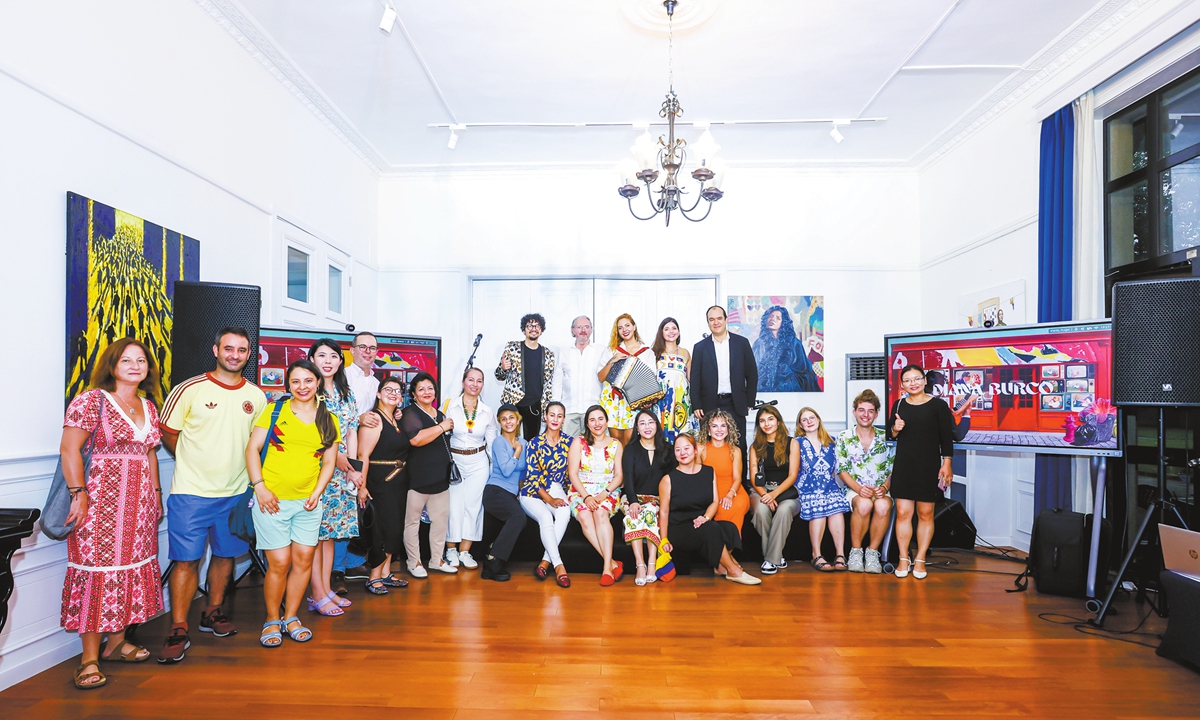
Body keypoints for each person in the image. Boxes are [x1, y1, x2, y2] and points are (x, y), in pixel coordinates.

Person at [157, 327, 267, 663]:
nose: (235, 355)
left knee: (224, 555)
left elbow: (257, 444)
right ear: (216, 349)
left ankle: (212, 611)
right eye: (229, 348)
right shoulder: (189, 389)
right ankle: (179, 626)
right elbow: (168, 433)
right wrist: (193, 462)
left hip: (235, 494)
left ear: (248, 355)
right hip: (191, 493)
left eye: (242, 350)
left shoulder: (256, 396)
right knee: (186, 560)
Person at [59, 339, 164, 689]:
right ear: (112, 365)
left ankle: (116, 643)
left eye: (141, 360)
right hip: (99, 503)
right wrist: (78, 494)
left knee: (128, 570)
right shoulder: (92, 400)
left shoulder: (148, 406)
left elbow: (149, 454)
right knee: (97, 573)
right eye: (126, 360)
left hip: (139, 506)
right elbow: (69, 448)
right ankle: (89, 659)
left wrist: (156, 494)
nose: (135, 366)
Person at [245, 359, 340, 648]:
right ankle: (272, 619)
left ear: (318, 383)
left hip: (308, 505)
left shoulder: (329, 419)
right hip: (271, 502)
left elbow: (329, 462)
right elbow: (252, 450)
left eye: (308, 380)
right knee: (279, 562)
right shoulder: (275, 411)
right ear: (288, 384)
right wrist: (260, 488)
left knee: (303, 561)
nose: (302, 386)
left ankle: (291, 617)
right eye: (296, 381)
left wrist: (317, 492)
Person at [306, 339, 363, 616]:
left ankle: (326, 589)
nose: (327, 361)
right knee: (316, 536)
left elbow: (352, 431)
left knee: (331, 535)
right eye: (321, 356)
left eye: (333, 356)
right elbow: (310, 434)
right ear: (312, 360)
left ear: (341, 361)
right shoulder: (308, 392)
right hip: (317, 472)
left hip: (342, 475)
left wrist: (353, 466)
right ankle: (317, 594)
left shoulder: (346, 394)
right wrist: (337, 458)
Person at [659, 434, 760, 585]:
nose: (682, 453)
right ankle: (733, 570)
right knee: (711, 529)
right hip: (679, 527)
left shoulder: (708, 472)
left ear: (695, 451)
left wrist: (705, 517)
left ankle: (720, 566)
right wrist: (664, 539)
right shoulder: (668, 479)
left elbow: (714, 501)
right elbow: (664, 512)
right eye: (678, 450)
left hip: (701, 522)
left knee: (730, 528)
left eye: (686, 448)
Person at [887, 364, 957, 580]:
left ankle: (920, 559)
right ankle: (903, 558)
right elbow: (891, 434)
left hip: (929, 466)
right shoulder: (899, 404)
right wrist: (895, 429)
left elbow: (946, 437)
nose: (913, 383)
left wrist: (947, 462)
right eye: (907, 380)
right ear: (902, 384)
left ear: (925, 380)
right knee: (903, 513)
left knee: (925, 514)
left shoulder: (938, 406)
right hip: (904, 466)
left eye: (917, 378)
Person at [356, 377, 411, 595]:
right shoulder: (374, 420)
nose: (393, 393)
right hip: (380, 482)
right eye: (388, 389)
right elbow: (363, 455)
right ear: (378, 394)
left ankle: (386, 573)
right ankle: (374, 577)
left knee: (394, 528)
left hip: (398, 482)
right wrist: (362, 486)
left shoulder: (395, 419)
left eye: (397, 391)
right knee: (381, 529)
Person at [401, 372, 458, 577]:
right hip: (417, 479)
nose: (427, 392)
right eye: (421, 389)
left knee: (440, 521)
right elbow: (416, 439)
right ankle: (414, 562)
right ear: (414, 394)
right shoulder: (409, 413)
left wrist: (442, 425)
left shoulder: (439, 414)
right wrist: (441, 427)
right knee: (412, 522)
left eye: (430, 388)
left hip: (440, 478)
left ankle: (436, 560)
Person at [691, 305, 758, 472]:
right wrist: (696, 404)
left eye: (719, 318)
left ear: (726, 320)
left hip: (736, 403)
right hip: (709, 404)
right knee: (708, 447)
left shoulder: (742, 343)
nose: (716, 322)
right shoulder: (700, 347)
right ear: (708, 323)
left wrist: (749, 401)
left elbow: (752, 374)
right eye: (711, 319)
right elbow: (695, 378)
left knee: (738, 445)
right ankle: (710, 484)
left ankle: (740, 485)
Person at [443, 367, 496, 570]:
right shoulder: (450, 406)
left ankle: (465, 551)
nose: (475, 384)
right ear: (463, 382)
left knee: (473, 506)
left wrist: (493, 469)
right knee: (453, 505)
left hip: (478, 462)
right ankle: (451, 550)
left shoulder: (487, 411)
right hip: (455, 461)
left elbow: (491, 444)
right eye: (471, 380)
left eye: (479, 381)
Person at [836, 389, 894, 574]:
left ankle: (872, 553)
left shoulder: (886, 437)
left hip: (881, 490)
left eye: (870, 411)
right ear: (854, 412)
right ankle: (855, 551)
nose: (865, 415)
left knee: (883, 506)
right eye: (861, 410)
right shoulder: (844, 437)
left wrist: (885, 488)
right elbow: (842, 470)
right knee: (864, 504)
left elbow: (893, 470)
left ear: (876, 414)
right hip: (854, 489)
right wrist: (859, 489)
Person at [567, 405, 625, 585]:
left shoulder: (616, 444)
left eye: (600, 419)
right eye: (592, 420)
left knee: (600, 514)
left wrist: (604, 494)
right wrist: (586, 496)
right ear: (587, 424)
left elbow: (619, 476)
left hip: (607, 490)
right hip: (581, 490)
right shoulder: (578, 442)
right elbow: (572, 474)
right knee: (585, 517)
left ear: (607, 421)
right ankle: (612, 563)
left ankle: (607, 568)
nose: (597, 423)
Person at [520, 401, 572, 588]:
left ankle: (545, 562)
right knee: (546, 517)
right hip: (532, 491)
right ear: (545, 417)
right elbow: (533, 478)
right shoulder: (534, 443)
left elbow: (572, 472)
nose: (555, 419)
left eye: (559, 416)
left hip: (556, 487)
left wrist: (567, 495)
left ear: (564, 419)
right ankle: (559, 566)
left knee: (565, 511)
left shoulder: (570, 442)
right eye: (552, 415)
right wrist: (550, 500)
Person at [794, 407, 851, 571]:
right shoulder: (797, 443)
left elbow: (834, 471)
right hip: (806, 487)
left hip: (829, 486)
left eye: (812, 418)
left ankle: (840, 554)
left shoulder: (832, 441)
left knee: (836, 508)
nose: (809, 422)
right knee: (818, 505)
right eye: (804, 420)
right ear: (800, 425)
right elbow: (793, 470)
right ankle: (816, 554)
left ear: (818, 420)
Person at [621, 409, 674, 586]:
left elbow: (672, 478)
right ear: (637, 428)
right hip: (632, 497)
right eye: (642, 423)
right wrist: (633, 501)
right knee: (634, 515)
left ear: (657, 425)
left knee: (650, 511)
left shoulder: (667, 449)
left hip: (657, 499)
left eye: (651, 422)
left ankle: (652, 562)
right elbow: (628, 478)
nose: (647, 427)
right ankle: (640, 565)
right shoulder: (630, 449)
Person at [748, 404, 800, 575]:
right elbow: (754, 477)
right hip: (761, 490)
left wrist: (774, 495)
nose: (767, 424)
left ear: (778, 421)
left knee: (784, 511)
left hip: (786, 491)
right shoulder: (755, 446)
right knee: (761, 511)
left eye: (770, 419)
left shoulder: (792, 443)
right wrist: (765, 495)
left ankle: (770, 559)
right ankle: (776, 557)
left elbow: (792, 475)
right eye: (762, 421)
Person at [481, 404, 528, 581]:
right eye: (504, 419)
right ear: (500, 423)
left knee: (520, 518)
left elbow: (522, 473)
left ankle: (489, 564)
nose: (508, 422)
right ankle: (494, 558)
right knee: (519, 517)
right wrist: (517, 452)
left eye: (511, 418)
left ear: (518, 420)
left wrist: (520, 492)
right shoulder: (499, 442)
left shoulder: (524, 443)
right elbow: (507, 471)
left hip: (510, 493)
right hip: (495, 491)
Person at [495, 313, 557, 440]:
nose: (533, 328)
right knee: (508, 440)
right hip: (513, 403)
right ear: (524, 330)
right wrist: (503, 368)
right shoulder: (512, 348)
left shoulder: (548, 354)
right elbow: (499, 376)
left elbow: (548, 384)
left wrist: (546, 408)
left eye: (537, 325)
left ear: (541, 330)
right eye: (529, 325)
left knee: (532, 442)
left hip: (535, 405)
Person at [598, 313, 656, 446]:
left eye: (627, 325)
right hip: (612, 400)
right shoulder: (611, 350)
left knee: (630, 439)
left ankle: (629, 461)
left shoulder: (647, 353)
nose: (624, 329)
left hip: (633, 400)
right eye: (620, 328)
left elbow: (650, 380)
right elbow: (601, 377)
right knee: (616, 440)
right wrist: (612, 360)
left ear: (634, 327)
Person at [698, 410, 748, 541]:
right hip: (711, 492)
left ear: (728, 429)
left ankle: (729, 548)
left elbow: (738, 478)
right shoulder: (701, 448)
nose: (719, 430)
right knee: (718, 509)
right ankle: (722, 551)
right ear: (708, 429)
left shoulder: (735, 450)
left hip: (734, 491)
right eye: (714, 426)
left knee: (735, 507)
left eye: (723, 425)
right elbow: (697, 476)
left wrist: (730, 495)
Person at [752, 305, 820, 392]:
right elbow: (752, 368)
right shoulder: (759, 343)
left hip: (790, 389)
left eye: (778, 318)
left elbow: (804, 371)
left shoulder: (795, 343)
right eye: (771, 316)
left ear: (783, 322)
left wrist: (787, 372)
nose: (773, 319)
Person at [652, 317, 699, 443]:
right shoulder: (654, 353)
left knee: (683, 436)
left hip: (681, 401)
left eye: (674, 328)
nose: (671, 331)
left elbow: (691, 378)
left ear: (678, 332)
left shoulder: (685, 353)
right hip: (661, 402)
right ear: (661, 332)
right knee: (661, 436)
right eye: (667, 329)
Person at [558, 315, 605, 438]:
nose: (583, 330)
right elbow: (557, 381)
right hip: (569, 409)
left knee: (593, 445)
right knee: (568, 445)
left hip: (593, 410)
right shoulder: (564, 352)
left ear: (591, 330)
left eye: (587, 327)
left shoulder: (601, 351)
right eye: (579, 327)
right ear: (573, 330)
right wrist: (556, 406)